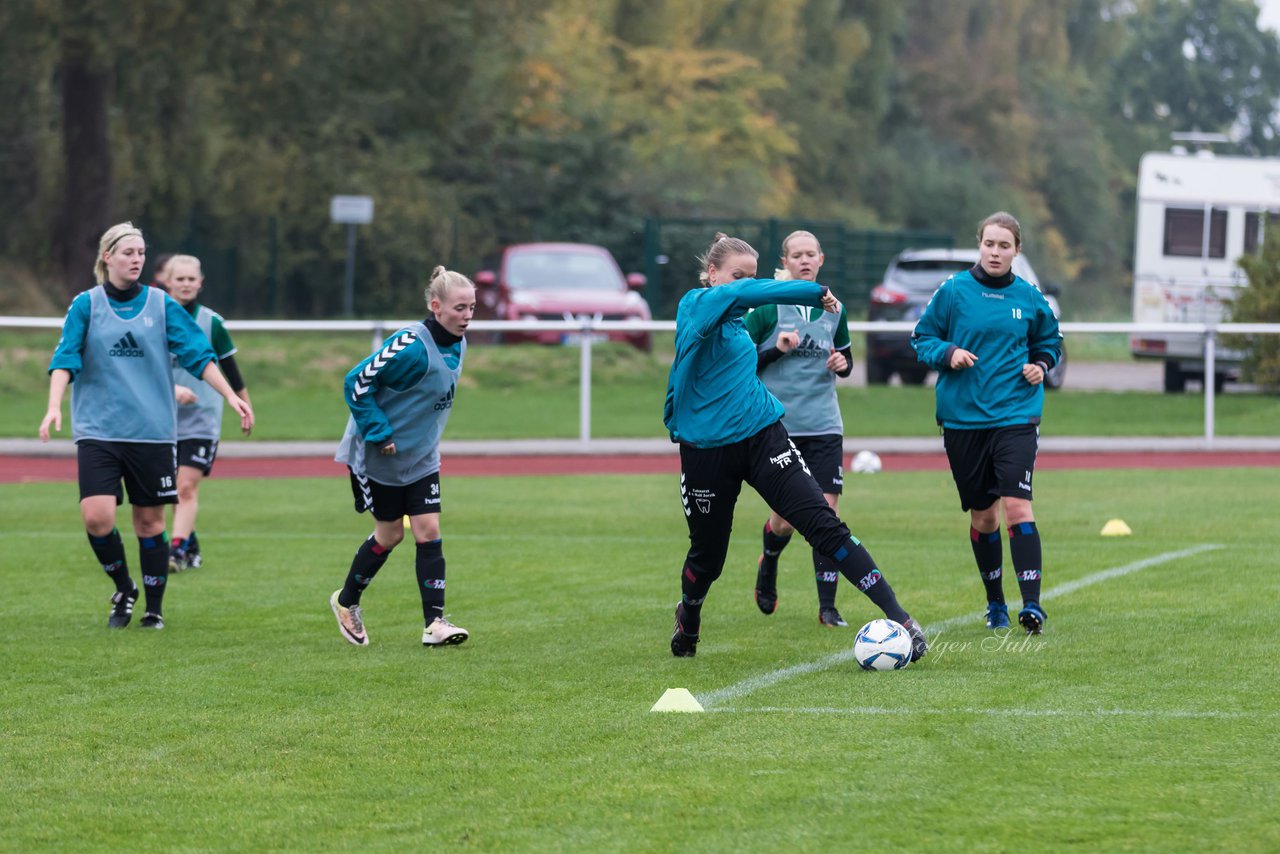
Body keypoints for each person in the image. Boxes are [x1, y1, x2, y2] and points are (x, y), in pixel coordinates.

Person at [663, 232, 928, 660]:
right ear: (712, 275)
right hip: (706, 451)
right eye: (735, 278)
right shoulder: (695, 305)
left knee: (825, 525)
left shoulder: (735, 325)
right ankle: (688, 615)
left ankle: (902, 620)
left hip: (762, 435)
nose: (743, 287)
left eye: (749, 276)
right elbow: (751, 294)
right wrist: (815, 290)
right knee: (708, 557)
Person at [39, 222, 254, 630]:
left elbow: (199, 354)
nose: (136, 258)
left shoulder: (160, 304)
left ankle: (153, 608)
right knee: (97, 518)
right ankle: (124, 587)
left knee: (150, 523)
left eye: (141, 252)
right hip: (98, 430)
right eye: (128, 252)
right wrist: (54, 406)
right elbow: (65, 358)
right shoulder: (86, 304)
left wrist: (230, 394)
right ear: (107, 257)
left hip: (151, 432)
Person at [910, 211, 1063, 634]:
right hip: (963, 419)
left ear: (1017, 251)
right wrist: (949, 354)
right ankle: (995, 602)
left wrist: (1041, 364)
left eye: (1004, 246)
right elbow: (922, 338)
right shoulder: (954, 291)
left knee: (1017, 505)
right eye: (989, 244)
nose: (995, 252)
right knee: (984, 516)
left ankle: (1031, 605)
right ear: (979, 244)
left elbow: (1051, 341)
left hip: (1016, 415)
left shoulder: (1029, 297)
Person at [329, 265, 476, 648]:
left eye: (472, 308)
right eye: (460, 308)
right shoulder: (410, 345)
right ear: (436, 305)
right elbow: (356, 381)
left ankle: (435, 624)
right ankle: (346, 603)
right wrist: (379, 431)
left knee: (428, 530)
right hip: (376, 455)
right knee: (390, 534)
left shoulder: (459, 342)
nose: (467, 316)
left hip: (422, 455)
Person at [744, 230, 855, 627]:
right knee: (785, 520)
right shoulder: (768, 307)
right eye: (797, 255)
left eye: (811, 254)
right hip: (779, 427)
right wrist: (777, 349)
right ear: (786, 262)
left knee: (826, 514)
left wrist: (843, 364)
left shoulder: (833, 307)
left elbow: (845, 354)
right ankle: (770, 558)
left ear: (821, 259)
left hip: (824, 424)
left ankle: (828, 608)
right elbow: (740, 360)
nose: (805, 260)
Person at [166, 254, 253, 572]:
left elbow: (229, 367)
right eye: (180, 279)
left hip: (201, 421)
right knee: (168, 490)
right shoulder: (155, 317)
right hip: (161, 420)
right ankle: (190, 545)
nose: (186, 284)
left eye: (191, 279)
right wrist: (172, 390)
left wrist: (244, 404)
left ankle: (174, 552)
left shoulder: (211, 322)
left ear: (200, 283)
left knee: (185, 487)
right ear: (168, 281)